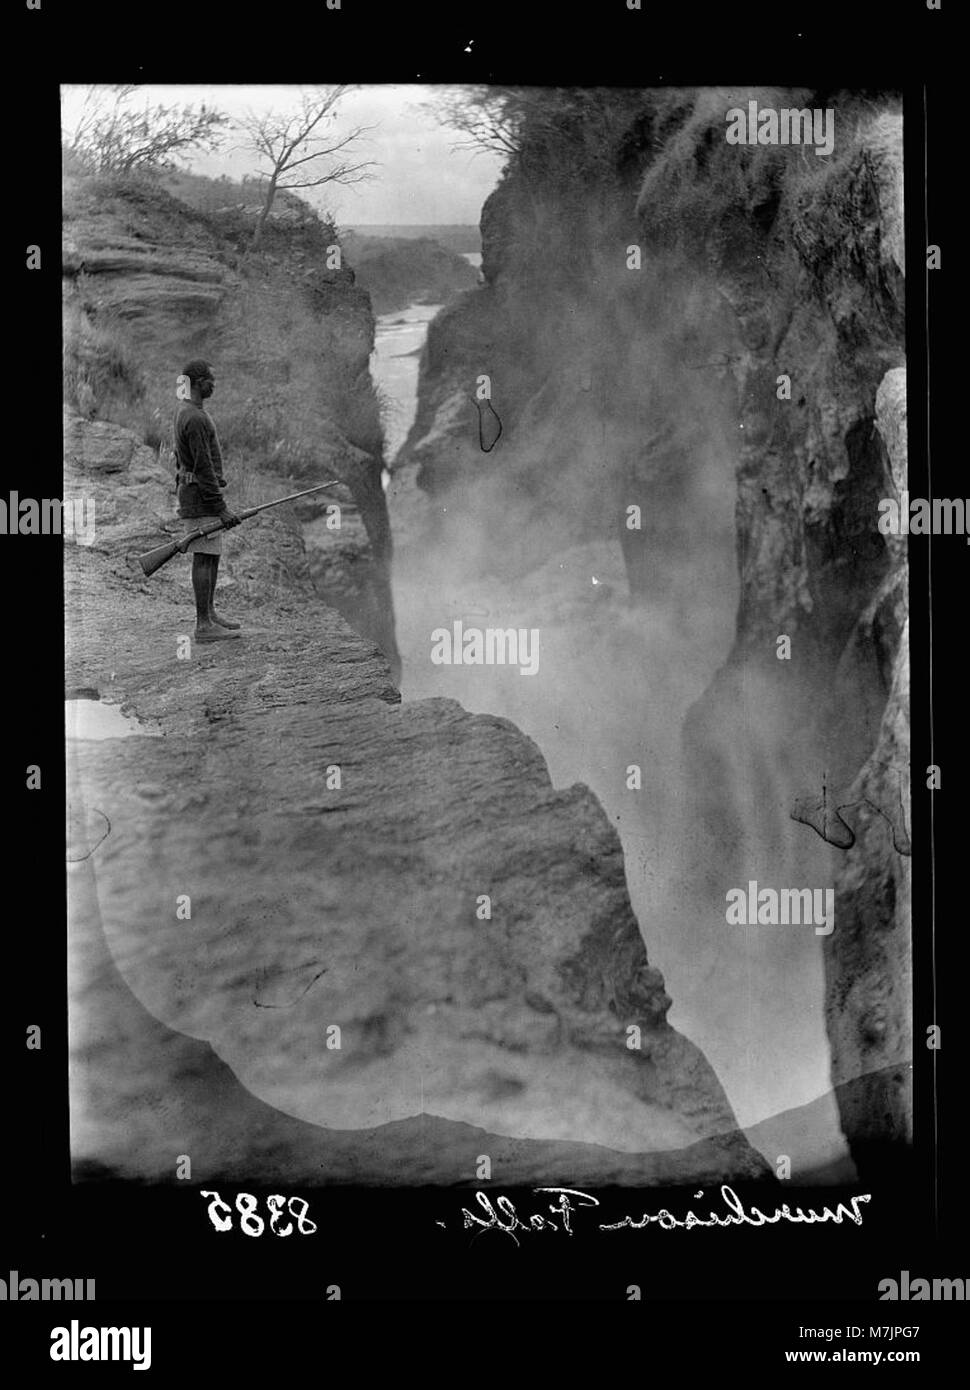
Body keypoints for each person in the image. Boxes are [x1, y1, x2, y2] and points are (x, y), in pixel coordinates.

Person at [173, 360, 243, 643]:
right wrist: (221, 508)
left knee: (211, 555)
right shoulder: (196, 417)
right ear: (199, 382)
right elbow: (202, 467)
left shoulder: (187, 412)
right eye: (210, 380)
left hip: (197, 492)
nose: (214, 384)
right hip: (199, 496)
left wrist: (215, 479)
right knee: (203, 557)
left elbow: (185, 459)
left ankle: (210, 614)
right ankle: (203, 625)